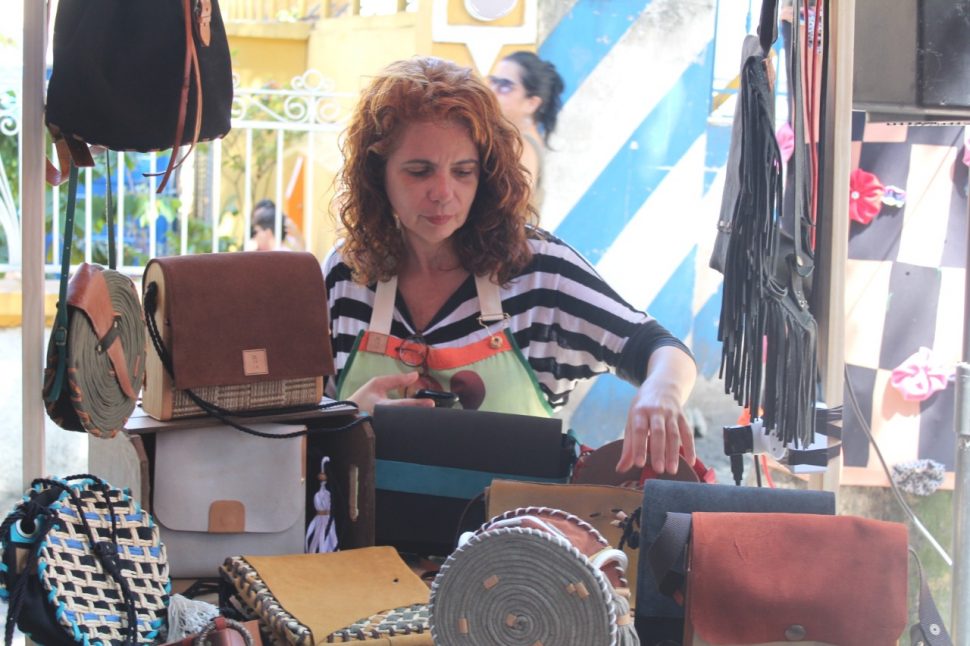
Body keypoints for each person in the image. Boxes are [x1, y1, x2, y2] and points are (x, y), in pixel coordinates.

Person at [324, 56, 696, 476]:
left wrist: (662, 391)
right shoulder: (346, 272)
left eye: (463, 172)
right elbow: (299, 415)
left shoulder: (540, 271)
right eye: (419, 171)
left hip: (514, 520)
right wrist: (348, 415)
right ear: (378, 174)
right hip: (368, 518)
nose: (443, 192)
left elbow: (660, 347)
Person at [487, 51, 564, 208]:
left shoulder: (521, 147)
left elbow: (510, 215)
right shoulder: (514, 140)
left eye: (505, 86)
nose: (492, 91)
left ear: (532, 103)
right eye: (493, 81)